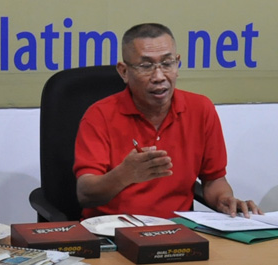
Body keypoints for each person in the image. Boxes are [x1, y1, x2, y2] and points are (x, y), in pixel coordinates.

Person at [73, 23, 262, 220]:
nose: (159, 76)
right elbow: (86, 194)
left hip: (177, 231)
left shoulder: (201, 109)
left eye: (167, 63)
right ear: (124, 72)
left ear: (177, 63)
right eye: (146, 66)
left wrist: (224, 199)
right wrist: (124, 174)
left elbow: (213, 180)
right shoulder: (99, 115)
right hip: (112, 231)